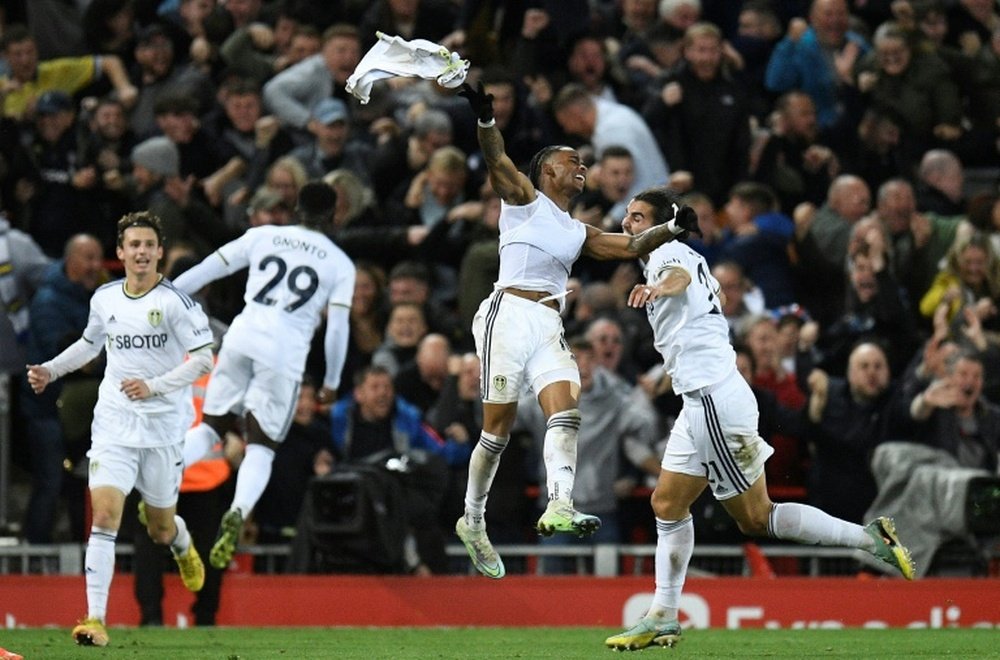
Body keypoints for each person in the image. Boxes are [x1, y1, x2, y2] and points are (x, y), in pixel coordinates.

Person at [604, 187, 914, 651]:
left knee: (756, 517)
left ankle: (869, 539)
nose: (628, 224)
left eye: (637, 217)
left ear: (661, 223)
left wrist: (656, 287)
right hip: (703, 401)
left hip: (713, 403)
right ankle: (662, 615)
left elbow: (676, 280)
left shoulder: (669, 255)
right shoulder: (674, 252)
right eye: (627, 216)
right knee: (667, 504)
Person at [452, 82, 698, 579]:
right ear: (546, 171)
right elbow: (498, 161)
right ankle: (472, 521)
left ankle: (559, 503)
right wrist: (484, 120)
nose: (581, 166)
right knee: (496, 431)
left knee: (565, 411)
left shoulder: (576, 230)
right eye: (572, 160)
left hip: (547, 319)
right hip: (508, 312)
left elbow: (629, 248)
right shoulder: (523, 200)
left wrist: (672, 228)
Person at [26, 211, 213, 647]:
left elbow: (203, 359)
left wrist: (154, 386)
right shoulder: (105, 298)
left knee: (159, 531)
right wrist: (51, 371)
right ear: (121, 253)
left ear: (160, 252)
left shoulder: (176, 304)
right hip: (114, 424)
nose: (142, 252)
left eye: (149, 244)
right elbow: (91, 344)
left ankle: (181, 542)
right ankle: (94, 618)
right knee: (106, 518)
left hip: (163, 428)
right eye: (134, 245)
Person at [172, 181, 356, 571]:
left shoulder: (263, 235)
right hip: (284, 352)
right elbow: (338, 327)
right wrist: (331, 382)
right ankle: (239, 509)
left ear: (295, 208)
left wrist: (166, 295)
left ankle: (163, 476)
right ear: (333, 215)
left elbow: (207, 268)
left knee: (209, 429)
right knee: (261, 446)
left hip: (241, 336)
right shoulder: (340, 263)